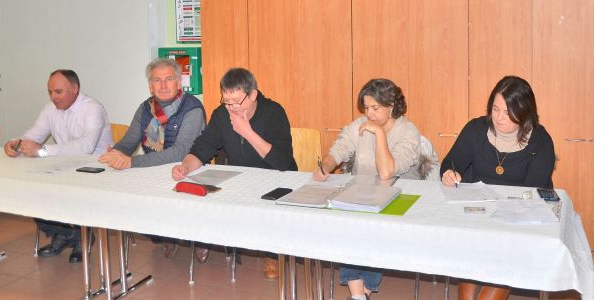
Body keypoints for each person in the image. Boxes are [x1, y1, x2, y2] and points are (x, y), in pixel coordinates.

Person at [172, 67, 297, 279]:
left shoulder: (273, 112)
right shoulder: (222, 114)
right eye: (227, 101)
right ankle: (213, 240)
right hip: (241, 179)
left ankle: (273, 253)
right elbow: (202, 148)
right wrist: (185, 166)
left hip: (276, 179)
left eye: (237, 101)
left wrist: (246, 131)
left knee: (268, 205)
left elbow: (282, 162)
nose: (232, 108)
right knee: (202, 195)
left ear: (253, 94)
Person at [440, 76, 555, 300]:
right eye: (495, 109)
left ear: (524, 112)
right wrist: (449, 173)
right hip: (479, 212)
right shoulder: (475, 129)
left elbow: (534, 191)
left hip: (520, 217)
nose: (499, 118)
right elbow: (450, 163)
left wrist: (502, 214)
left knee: (506, 250)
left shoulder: (540, 140)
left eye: (508, 112)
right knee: (469, 244)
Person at [314, 78, 422, 300]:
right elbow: (340, 149)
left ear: (391, 106)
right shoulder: (360, 124)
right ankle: (359, 294)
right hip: (363, 194)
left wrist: (379, 134)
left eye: (375, 108)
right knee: (350, 226)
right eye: (366, 108)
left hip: (400, 198)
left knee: (373, 228)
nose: (369, 114)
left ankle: (362, 291)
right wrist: (325, 166)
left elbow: (387, 173)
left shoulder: (408, 132)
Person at [99, 58, 206, 259]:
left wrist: (132, 162)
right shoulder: (145, 108)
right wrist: (115, 153)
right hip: (152, 170)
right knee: (131, 201)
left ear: (178, 82)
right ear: (150, 86)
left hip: (187, 170)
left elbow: (181, 152)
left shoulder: (193, 108)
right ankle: (165, 235)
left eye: (169, 79)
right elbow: (129, 142)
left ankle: (197, 237)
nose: (163, 85)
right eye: (157, 80)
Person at [3, 69, 113, 263]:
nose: (53, 97)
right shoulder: (50, 108)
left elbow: (86, 147)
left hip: (94, 169)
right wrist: (15, 144)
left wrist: (43, 151)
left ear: (75, 89)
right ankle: (69, 235)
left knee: (67, 191)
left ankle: (79, 235)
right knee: (29, 189)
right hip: (63, 166)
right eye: (50, 92)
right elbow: (33, 136)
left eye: (58, 92)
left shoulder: (92, 108)